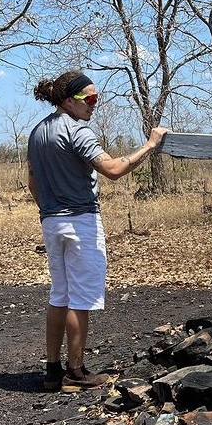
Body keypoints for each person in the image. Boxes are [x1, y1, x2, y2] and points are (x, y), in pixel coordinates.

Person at [27, 70, 169, 391]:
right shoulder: (77, 131)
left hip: (51, 221)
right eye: (89, 99)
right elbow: (114, 169)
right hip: (80, 222)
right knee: (80, 299)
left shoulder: (38, 132)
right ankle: (75, 372)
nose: (94, 104)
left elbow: (33, 183)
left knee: (59, 295)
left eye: (96, 98)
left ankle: (53, 371)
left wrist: (50, 210)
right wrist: (150, 144)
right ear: (69, 101)